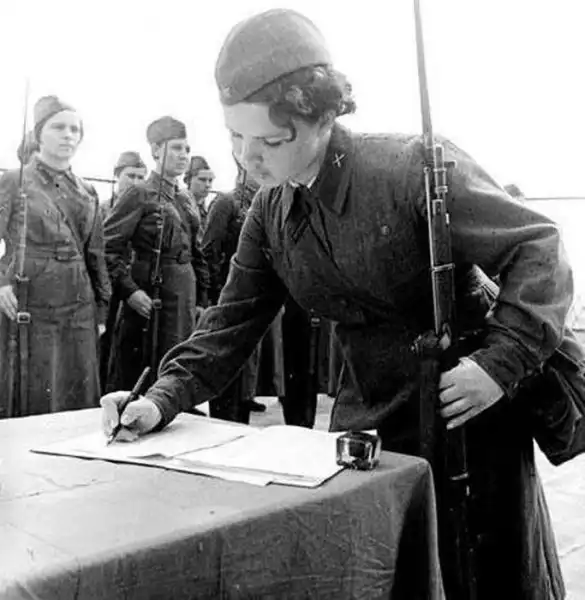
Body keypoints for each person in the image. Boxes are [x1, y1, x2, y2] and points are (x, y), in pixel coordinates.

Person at [101, 9, 571, 599]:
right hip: (367, 424)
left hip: (466, 415)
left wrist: (499, 364)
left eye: (270, 141)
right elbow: (230, 323)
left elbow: (538, 246)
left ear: (321, 117)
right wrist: (160, 398)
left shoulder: (411, 168)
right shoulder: (269, 212)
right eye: (235, 137)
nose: (247, 158)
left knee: (483, 576)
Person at [0, 95, 110, 416]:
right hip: (30, 299)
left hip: (78, 302)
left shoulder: (87, 191)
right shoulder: (14, 181)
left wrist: (101, 310)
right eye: (58, 127)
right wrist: (1, 283)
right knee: (32, 392)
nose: (68, 135)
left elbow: (95, 255)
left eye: (75, 129)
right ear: (39, 134)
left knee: (76, 390)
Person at [103, 116, 209, 393]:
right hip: (150, 294)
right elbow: (108, 248)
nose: (183, 155)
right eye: (176, 148)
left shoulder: (185, 198)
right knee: (142, 372)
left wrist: (202, 299)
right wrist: (130, 292)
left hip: (184, 295)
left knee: (179, 363)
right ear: (156, 150)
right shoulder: (139, 194)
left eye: (186, 149)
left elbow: (198, 252)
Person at [203, 159, 266, 418]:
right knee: (225, 361)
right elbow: (210, 249)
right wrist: (216, 292)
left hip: (251, 296)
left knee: (245, 366)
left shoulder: (262, 204)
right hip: (227, 293)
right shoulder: (226, 202)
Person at [99, 151, 148, 389]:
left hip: (132, 288)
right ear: (117, 175)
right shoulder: (102, 209)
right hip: (107, 289)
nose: (135, 182)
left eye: (140, 177)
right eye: (130, 176)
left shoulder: (145, 206)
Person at [184, 155, 216, 234]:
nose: (208, 185)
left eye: (210, 180)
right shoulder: (181, 206)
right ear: (188, 180)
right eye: (202, 180)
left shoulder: (206, 209)